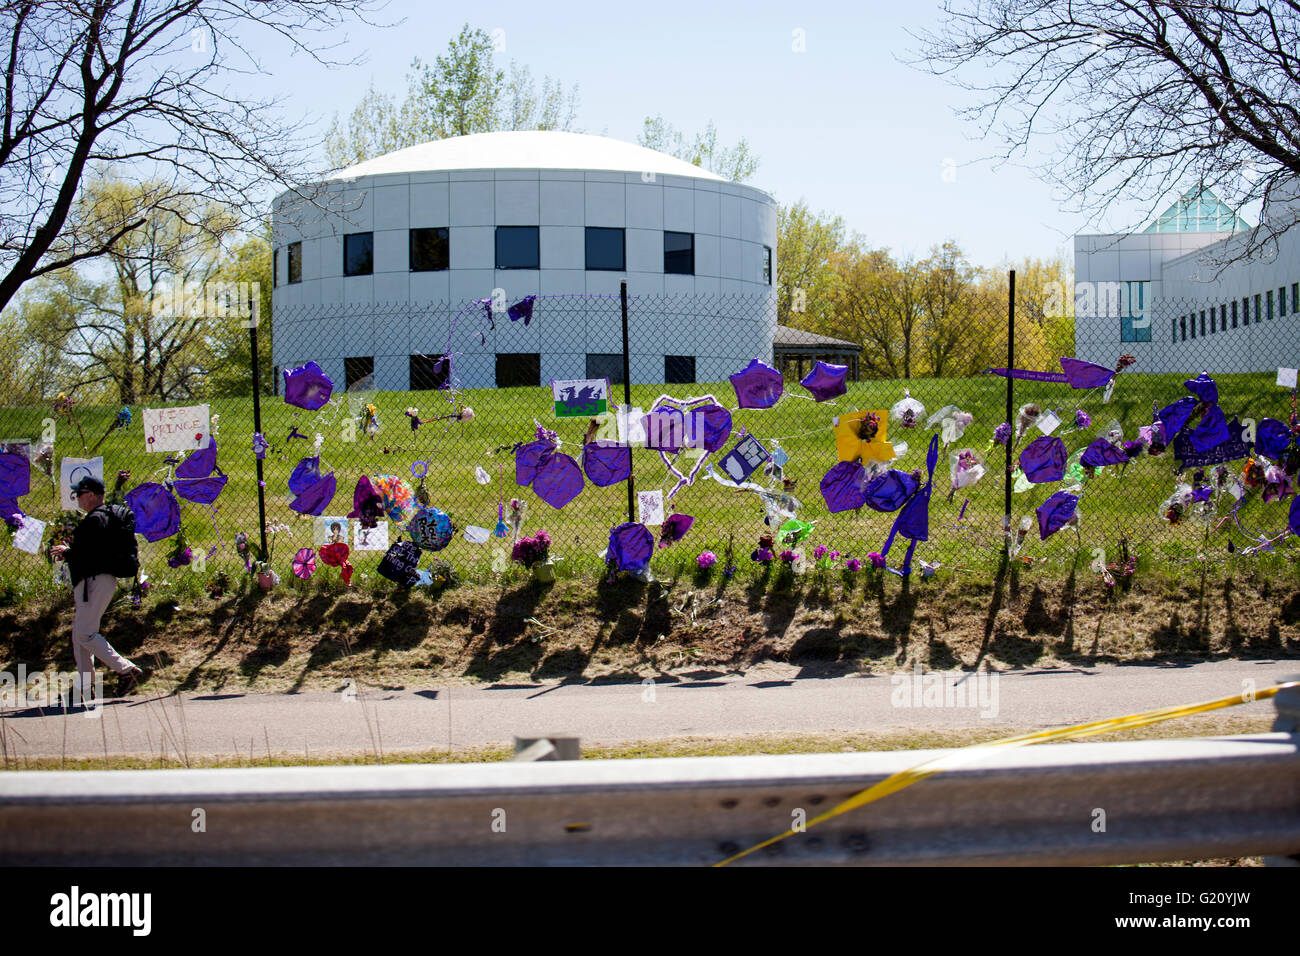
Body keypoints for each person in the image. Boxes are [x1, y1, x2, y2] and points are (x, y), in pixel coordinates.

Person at [49, 476, 146, 699]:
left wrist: (67, 552)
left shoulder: (96, 520)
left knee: (84, 634)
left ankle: (126, 670)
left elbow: (91, 552)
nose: (78, 499)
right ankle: (85, 687)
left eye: (80, 494)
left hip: (94, 581)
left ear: (91, 495)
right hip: (98, 580)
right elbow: (97, 549)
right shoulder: (104, 516)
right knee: (79, 635)